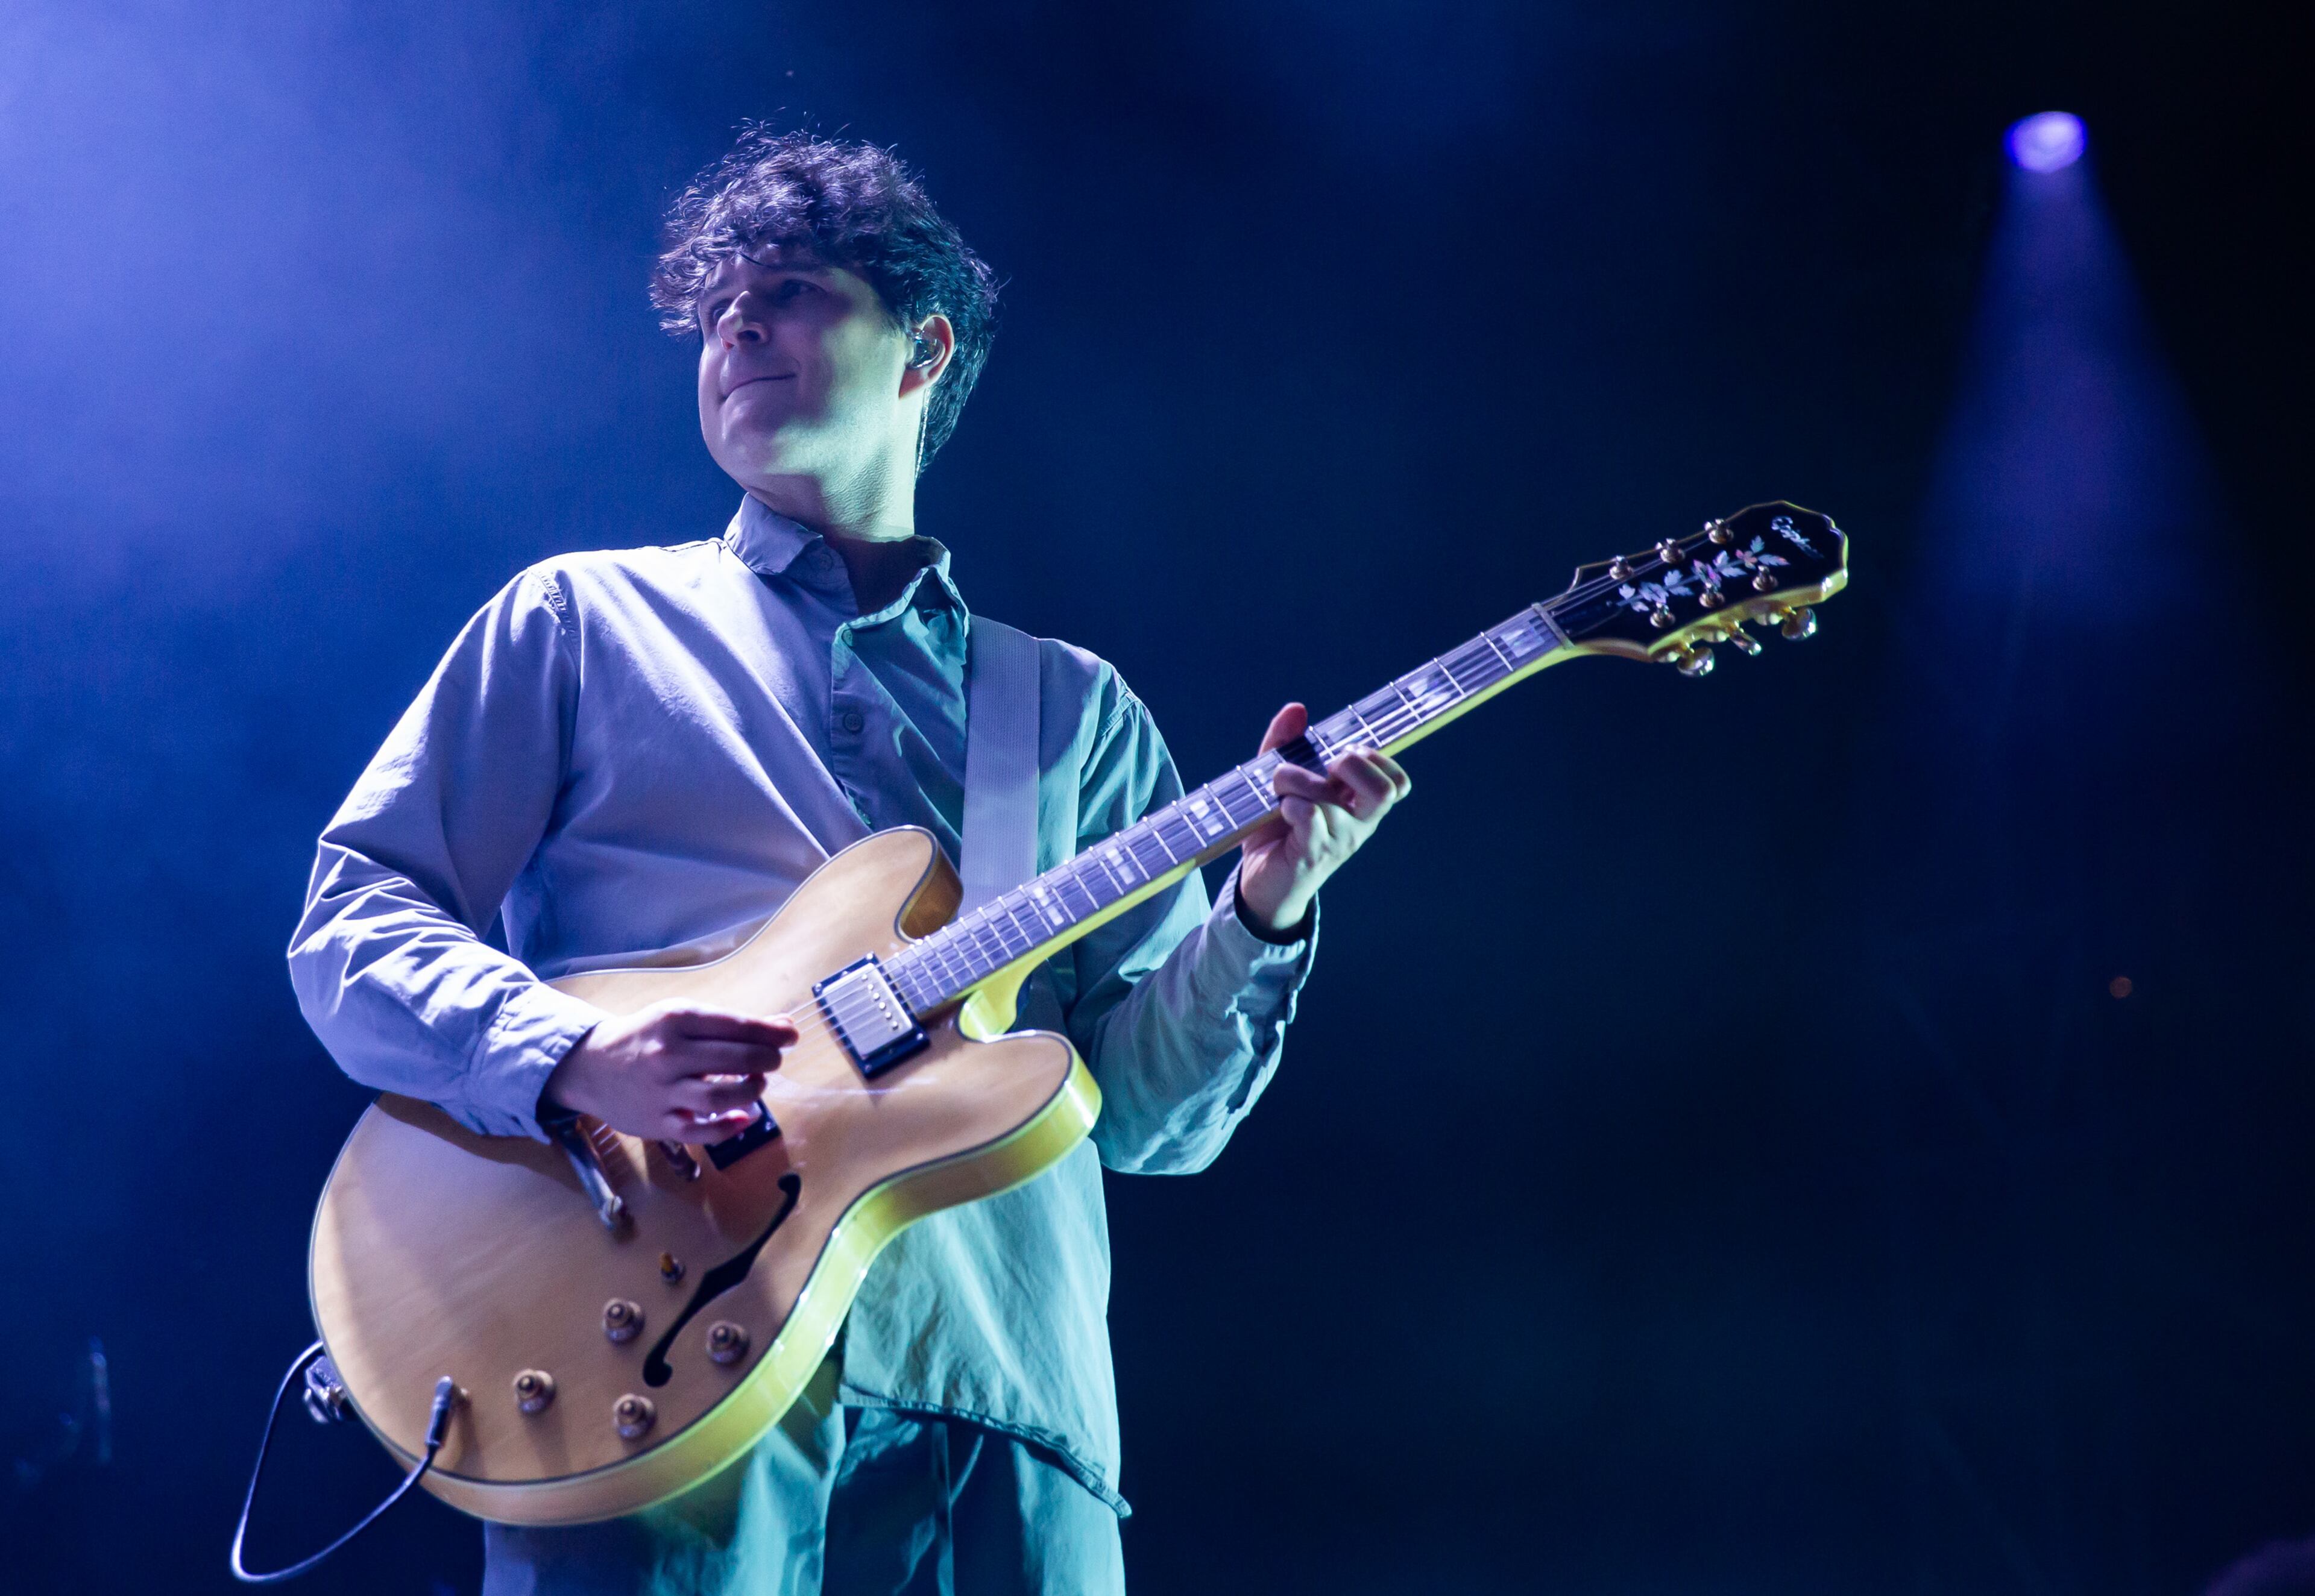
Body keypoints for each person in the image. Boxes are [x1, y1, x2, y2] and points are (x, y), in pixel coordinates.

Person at [288, 128, 1409, 1596]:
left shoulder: (1070, 713)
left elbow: (1141, 1117)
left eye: (793, 290)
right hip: (657, 1382)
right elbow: (352, 917)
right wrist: (571, 1054)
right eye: (715, 311)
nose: (736, 326)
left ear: (923, 347)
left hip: (1007, 1412)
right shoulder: (577, 622)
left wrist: (1267, 904)